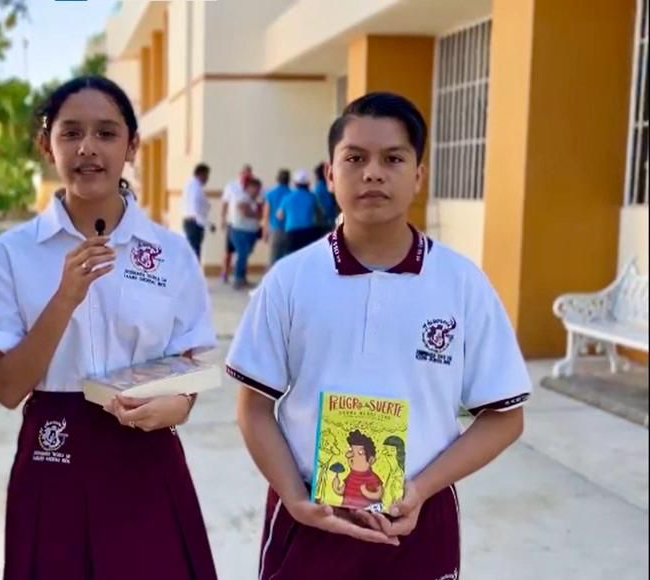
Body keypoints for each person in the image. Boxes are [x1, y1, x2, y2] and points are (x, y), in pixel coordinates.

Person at [227, 92, 531, 580]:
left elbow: (506, 418)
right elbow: (253, 408)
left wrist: (422, 488)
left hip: (416, 522)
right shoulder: (290, 280)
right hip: (308, 517)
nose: (373, 173)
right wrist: (294, 496)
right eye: (355, 158)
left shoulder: (460, 283)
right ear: (330, 174)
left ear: (418, 175)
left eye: (393, 158)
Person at [0, 76, 218, 580]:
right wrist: (64, 299)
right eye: (71, 133)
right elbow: (9, 388)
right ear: (46, 144)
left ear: (131, 146)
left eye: (106, 133)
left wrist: (178, 405)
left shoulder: (169, 253)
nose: (88, 148)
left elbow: (189, 366)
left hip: (146, 454)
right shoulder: (15, 253)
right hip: (53, 450)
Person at [277, 169, 326, 256]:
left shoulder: (287, 197)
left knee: (291, 257)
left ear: (295, 183)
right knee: (306, 257)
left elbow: (279, 216)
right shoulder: (312, 197)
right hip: (308, 232)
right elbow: (320, 213)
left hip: (291, 232)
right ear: (308, 183)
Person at [227, 177, 263, 290]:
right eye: (255, 188)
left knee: (245, 254)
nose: (257, 191)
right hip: (240, 231)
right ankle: (238, 279)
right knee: (242, 254)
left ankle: (242, 278)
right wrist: (258, 215)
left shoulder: (253, 200)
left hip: (250, 231)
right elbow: (244, 211)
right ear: (248, 187)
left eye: (259, 189)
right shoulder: (242, 197)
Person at [220, 164, 252, 283]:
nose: (246, 175)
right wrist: (222, 219)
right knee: (228, 251)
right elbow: (225, 203)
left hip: (245, 226)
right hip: (232, 223)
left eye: (248, 173)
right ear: (240, 173)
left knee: (244, 252)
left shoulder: (252, 187)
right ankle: (225, 273)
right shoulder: (232, 186)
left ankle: (241, 275)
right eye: (244, 172)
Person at [181, 163, 213, 259]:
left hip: (189, 221)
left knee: (191, 250)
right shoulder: (196, 187)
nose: (207, 179)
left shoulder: (189, 184)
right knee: (194, 252)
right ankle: (193, 273)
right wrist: (208, 224)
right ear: (201, 174)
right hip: (195, 223)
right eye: (206, 175)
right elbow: (196, 208)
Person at [262, 169, 292, 266]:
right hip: (290, 231)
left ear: (277, 179)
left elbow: (266, 214)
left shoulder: (270, 194)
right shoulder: (292, 193)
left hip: (275, 230)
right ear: (289, 180)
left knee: (273, 260)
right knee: (287, 259)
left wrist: (264, 231)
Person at [312, 161, 340, 228]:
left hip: (326, 222)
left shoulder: (319, 187)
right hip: (328, 222)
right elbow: (328, 207)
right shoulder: (323, 187)